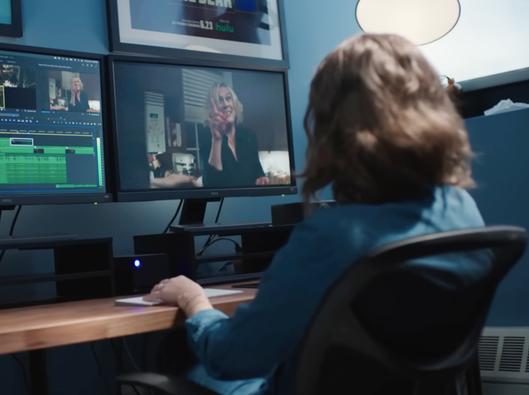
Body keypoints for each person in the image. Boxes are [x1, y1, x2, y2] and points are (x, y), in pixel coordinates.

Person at [143, 34, 489, 395]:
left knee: (178, 351)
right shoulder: (463, 210)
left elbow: (228, 357)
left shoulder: (332, 237)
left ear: (334, 126)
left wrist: (192, 297)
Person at [199, 82, 269, 188]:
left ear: (234, 104)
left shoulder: (249, 136)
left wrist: (261, 180)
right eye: (219, 100)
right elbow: (211, 184)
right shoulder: (207, 138)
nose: (226, 104)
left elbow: (257, 173)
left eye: (228, 98)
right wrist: (217, 140)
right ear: (212, 111)